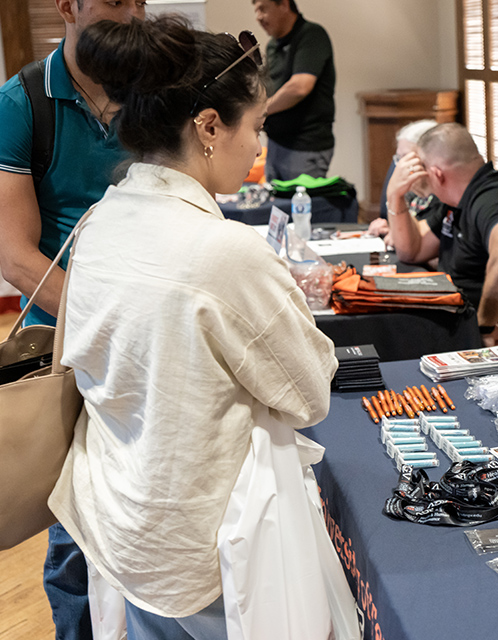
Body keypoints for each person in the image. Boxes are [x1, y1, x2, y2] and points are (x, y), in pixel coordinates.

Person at [49, 16, 357, 638]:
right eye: (258, 127)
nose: (259, 147)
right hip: (198, 538)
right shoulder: (223, 252)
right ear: (210, 126)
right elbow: (310, 391)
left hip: (119, 516)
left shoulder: (100, 221)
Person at [0, 1, 146, 637]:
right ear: (67, 7)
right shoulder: (21, 101)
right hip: (74, 340)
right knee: (74, 519)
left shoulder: (152, 90)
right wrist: (105, 324)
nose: (133, 12)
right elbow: (14, 254)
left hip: (150, 335)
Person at [385, 123, 498, 345]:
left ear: (437, 174)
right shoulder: (456, 199)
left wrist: (483, 326)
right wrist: (395, 195)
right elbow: (413, 250)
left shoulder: (493, 200)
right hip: (462, 317)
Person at [252, 0, 335, 181]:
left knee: (299, 207)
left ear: (283, 5)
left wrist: (260, 111)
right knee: (277, 207)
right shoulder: (273, 45)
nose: (258, 17)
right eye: (256, 10)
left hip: (305, 147)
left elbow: (300, 87)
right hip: (276, 143)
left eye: (263, 9)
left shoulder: (311, 35)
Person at [368, 118, 440, 245]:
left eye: (406, 157)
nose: (400, 166)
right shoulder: (411, 192)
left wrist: (398, 237)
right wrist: (389, 228)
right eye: (398, 158)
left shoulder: (443, 198)